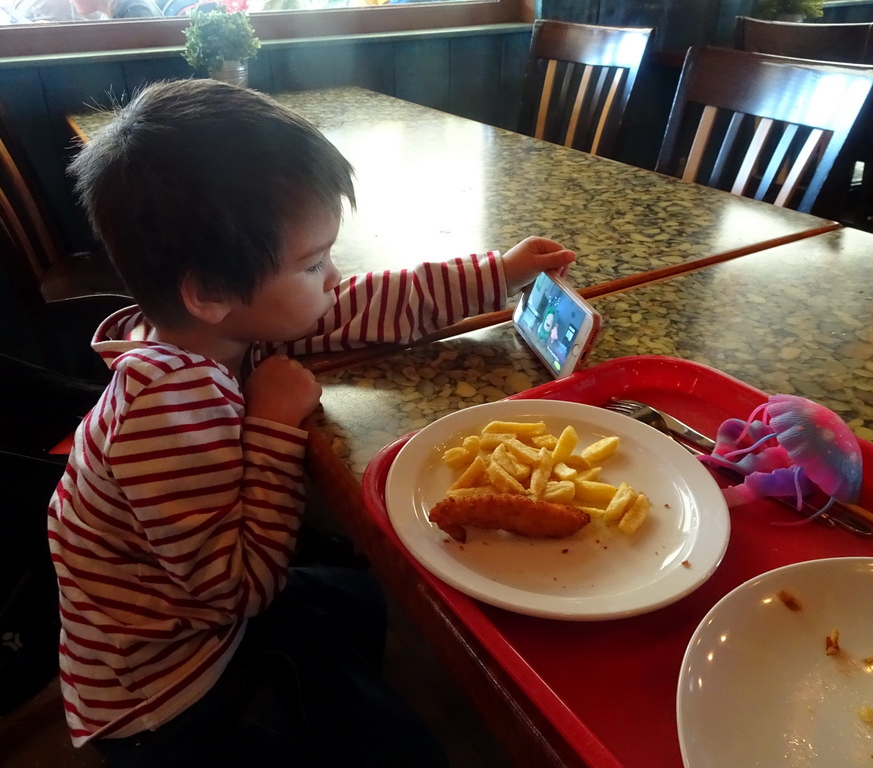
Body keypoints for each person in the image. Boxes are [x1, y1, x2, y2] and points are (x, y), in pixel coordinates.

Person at [48, 78, 575, 768]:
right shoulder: (165, 409)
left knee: (359, 599)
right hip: (170, 694)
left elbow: (354, 305)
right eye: (312, 263)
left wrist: (494, 274)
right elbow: (236, 588)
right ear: (209, 291)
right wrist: (270, 427)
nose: (333, 278)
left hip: (206, 615)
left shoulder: (216, 327)